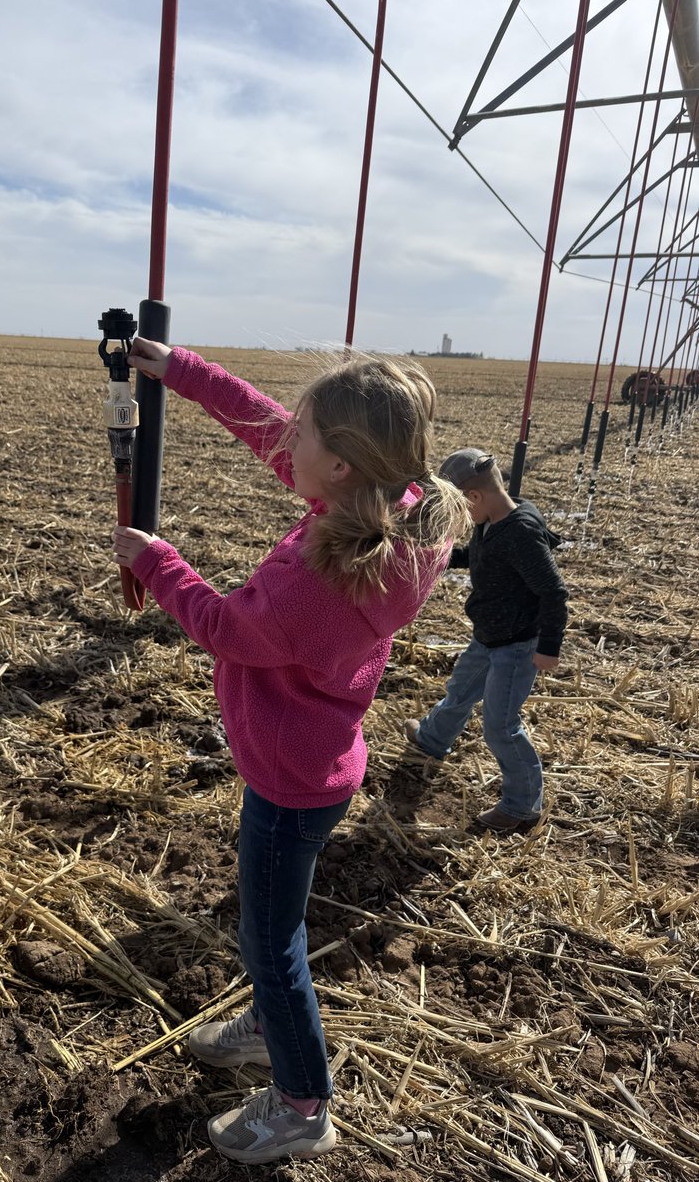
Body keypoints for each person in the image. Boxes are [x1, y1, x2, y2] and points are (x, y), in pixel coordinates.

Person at [112, 338, 469, 1164]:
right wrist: (183, 372)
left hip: (289, 782)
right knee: (271, 929)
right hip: (311, 764)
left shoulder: (320, 582)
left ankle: (303, 1104)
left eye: (305, 437)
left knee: (271, 945)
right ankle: (267, 1026)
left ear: (341, 464)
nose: (287, 443)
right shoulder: (390, 509)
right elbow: (269, 426)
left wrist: (157, 561)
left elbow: (224, 629)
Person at [404, 447, 568, 833]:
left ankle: (522, 805)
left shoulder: (521, 533)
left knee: (500, 725)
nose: (460, 518)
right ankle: (432, 739)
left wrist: (549, 647)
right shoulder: (491, 520)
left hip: (516, 647)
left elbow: (554, 592)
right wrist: (437, 557)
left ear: (474, 497)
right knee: (459, 690)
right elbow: (479, 557)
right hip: (488, 636)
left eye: (459, 507)